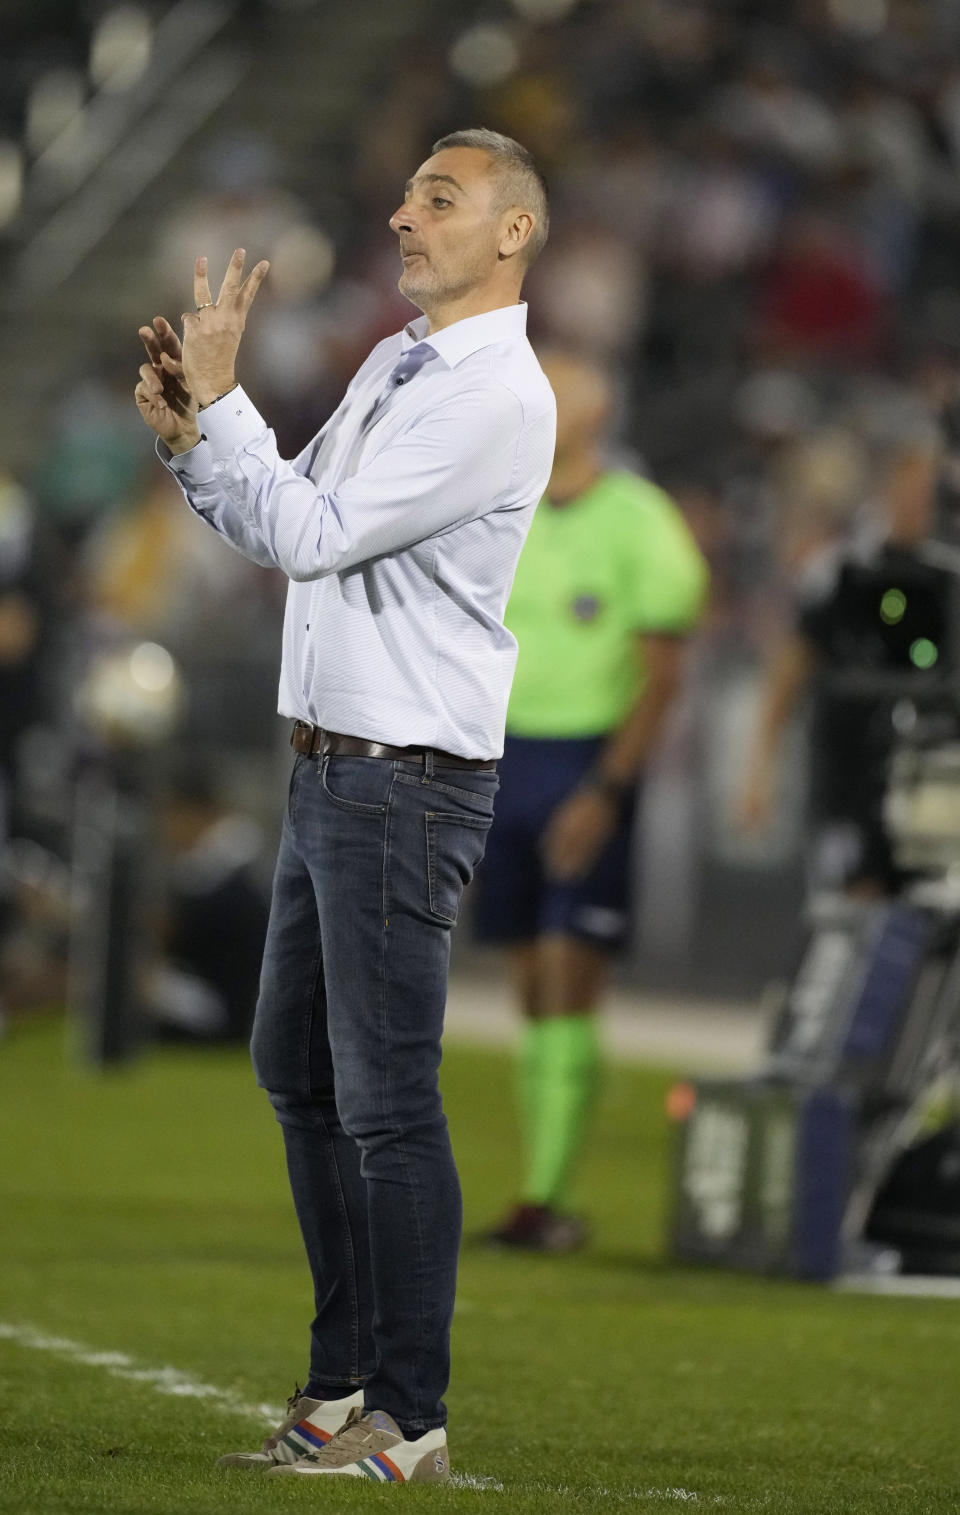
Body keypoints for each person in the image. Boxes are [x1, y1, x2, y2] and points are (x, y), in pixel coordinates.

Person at [133, 128, 555, 1483]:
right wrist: (206, 429)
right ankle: (339, 1382)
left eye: (441, 198)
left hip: (403, 774)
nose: (402, 216)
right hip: (331, 764)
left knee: (382, 1097)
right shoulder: (400, 360)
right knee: (298, 1072)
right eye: (409, 191)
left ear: (514, 233)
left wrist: (220, 418)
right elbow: (300, 510)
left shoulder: (496, 393)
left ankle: (407, 1406)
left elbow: (310, 535)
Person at [475, 351, 709, 1251]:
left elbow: (662, 678)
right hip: (500, 759)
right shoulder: (502, 507)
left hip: (584, 762)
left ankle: (546, 1199)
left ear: (594, 413)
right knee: (531, 982)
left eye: (554, 392)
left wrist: (607, 790)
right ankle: (544, 1186)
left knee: (571, 971)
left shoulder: (641, 521)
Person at [737, 414, 960, 896]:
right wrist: (758, 771)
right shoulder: (839, 572)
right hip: (852, 775)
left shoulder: (950, 576)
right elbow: (790, 668)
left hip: (940, 778)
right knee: (850, 907)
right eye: (909, 484)